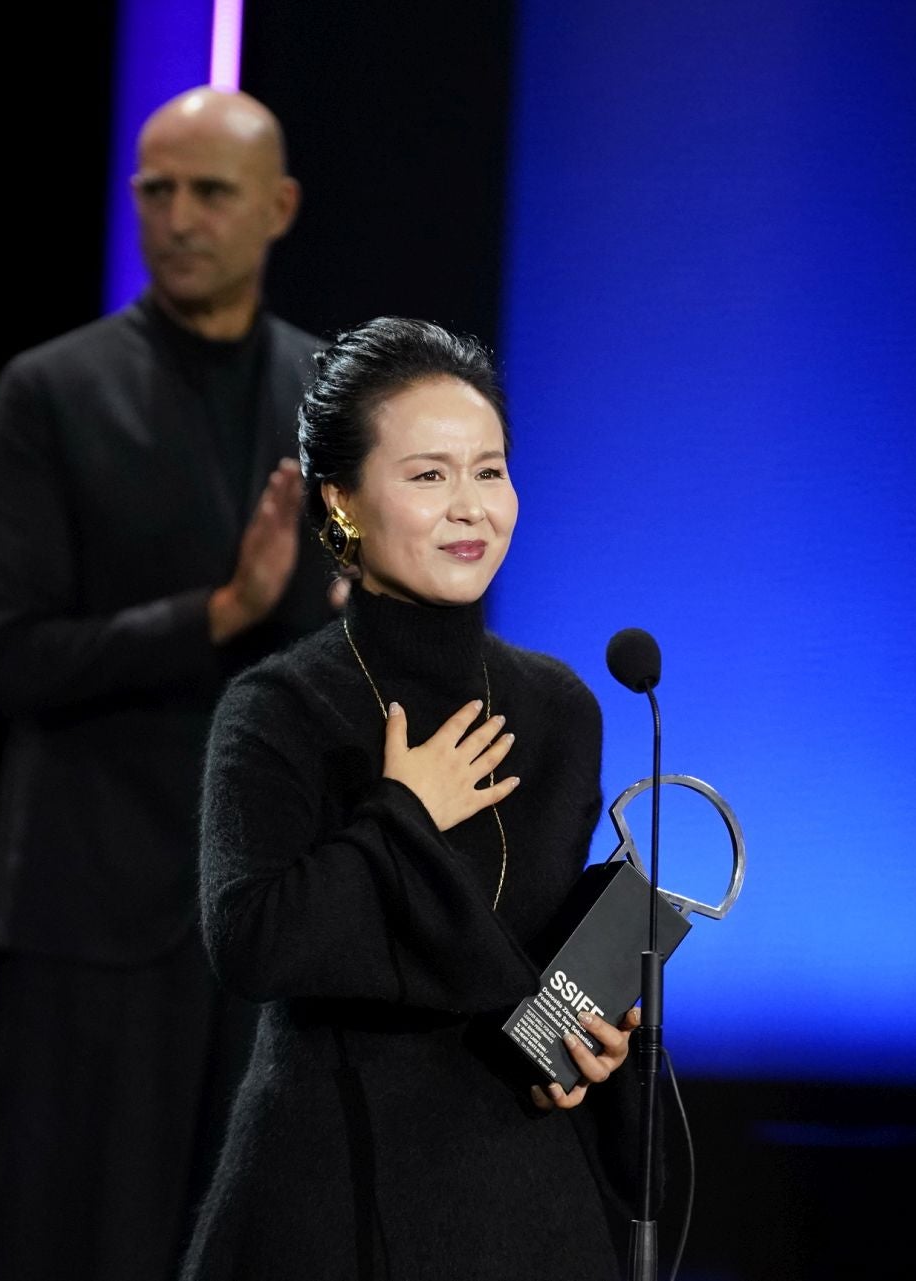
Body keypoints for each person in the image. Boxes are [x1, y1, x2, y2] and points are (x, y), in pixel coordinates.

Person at [184, 318, 643, 1281]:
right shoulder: (280, 707)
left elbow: (536, 949)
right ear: (342, 501)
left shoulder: (560, 707)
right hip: (330, 1187)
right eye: (429, 476)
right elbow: (250, 941)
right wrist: (402, 817)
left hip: (524, 1194)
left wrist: (592, 1034)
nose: (471, 507)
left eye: (490, 470)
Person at [0, 87, 337, 1281]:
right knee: (78, 1243)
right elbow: (17, 657)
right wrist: (221, 613)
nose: (176, 217)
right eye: (154, 190)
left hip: (268, 909)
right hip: (94, 907)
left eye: (209, 191)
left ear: (278, 207)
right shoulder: (52, 390)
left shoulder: (333, 398)